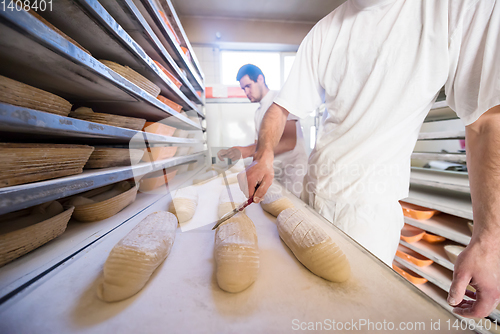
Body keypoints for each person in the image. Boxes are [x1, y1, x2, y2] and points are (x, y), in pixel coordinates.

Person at [241, 0, 500, 319]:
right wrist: (263, 156)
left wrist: (489, 239)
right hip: (313, 198)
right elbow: (280, 108)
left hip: (368, 212)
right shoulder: (325, 30)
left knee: (355, 316)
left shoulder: (453, 8)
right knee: (305, 309)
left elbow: (488, 119)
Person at [218, 64, 308, 197]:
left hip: (293, 173)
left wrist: (246, 151)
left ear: (260, 79)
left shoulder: (281, 100)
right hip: (274, 173)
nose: (246, 92)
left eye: (248, 86)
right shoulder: (258, 113)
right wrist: (239, 155)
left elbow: (289, 142)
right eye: (243, 89)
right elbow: (258, 148)